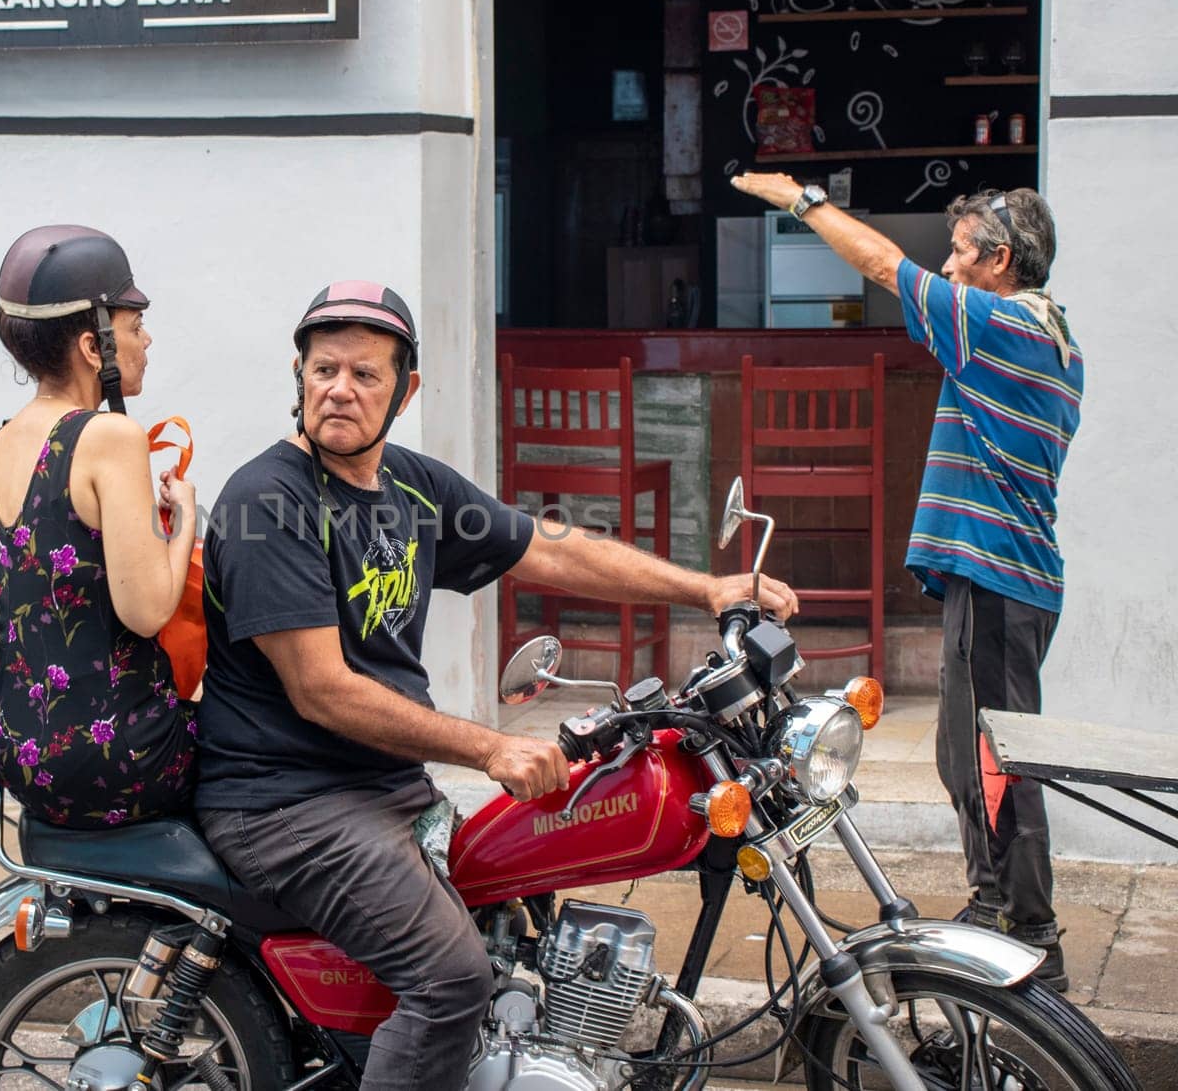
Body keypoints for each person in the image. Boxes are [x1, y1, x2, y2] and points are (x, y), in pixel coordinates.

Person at [194, 280, 799, 1090]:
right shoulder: (271, 501)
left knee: (514, 909)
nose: (339, 388)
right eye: (324, 368)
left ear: (404, 391)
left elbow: (549, 549)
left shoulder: (410, 487)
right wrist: (490, 747)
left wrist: (707, 589)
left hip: (377, 786)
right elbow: (323, 691)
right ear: (298, 377)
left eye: (365, 374)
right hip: (287, 804)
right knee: (451, 980)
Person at [731, 174, 1080, 991]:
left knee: (997, 757)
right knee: (968, 751)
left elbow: (888, 268)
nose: (948, 268)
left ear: (999, 260)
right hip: (996, 577)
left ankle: (1029, 930)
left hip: (1000, 576)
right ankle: (996, 905)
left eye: (961, 253)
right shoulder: (1039, 331)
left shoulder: (1002, 325)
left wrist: (802, 200)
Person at [0, 225, 198, 830]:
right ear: (95, 348)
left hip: (11, 753)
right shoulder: (109, 437)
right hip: (121, 755)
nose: (147, 339)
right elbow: (146, 612)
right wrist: (184, 521)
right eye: (135, 325)